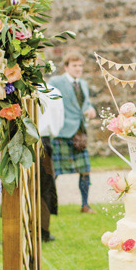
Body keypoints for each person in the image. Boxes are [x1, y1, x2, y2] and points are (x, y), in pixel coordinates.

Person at [49, 50, 97, 214]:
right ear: (66, 66)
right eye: (75, 65)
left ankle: (85, 205)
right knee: (54, 172)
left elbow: (85, 104)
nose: (78, 69)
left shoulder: (83, 83)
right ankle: (50, 206)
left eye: (81, 66)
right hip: (62, 133)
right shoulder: (56, 82)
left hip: (79, 133)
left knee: (85, 170)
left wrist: (90, 109)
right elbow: (50, 104)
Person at [38, 81, 64, 243]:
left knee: (42, 186)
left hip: (30, 141)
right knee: (44, 186)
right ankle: (42, 231)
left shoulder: (12, 89)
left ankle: (39, 230)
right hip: (43, 141)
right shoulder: (52, 91)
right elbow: (58, 122)